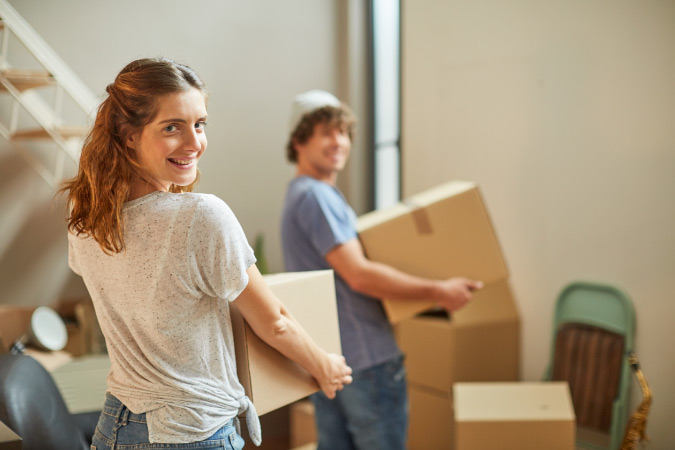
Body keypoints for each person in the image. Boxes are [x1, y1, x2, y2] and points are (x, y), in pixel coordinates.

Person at [60, 59, 352, 450]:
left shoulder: (87, 215)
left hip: (114, 427)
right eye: (171, 127)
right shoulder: (200, 216)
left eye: (199, 124)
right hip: (190, 433)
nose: (194, 142)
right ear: (129, 135)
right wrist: (324, 366)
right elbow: (275, 322)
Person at [281, 90, 483, 450]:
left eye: (343, 132)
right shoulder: (316, 196)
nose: (339, 141)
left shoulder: (298, 195)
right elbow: (359, 274)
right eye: (326, 132)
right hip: (366, 359)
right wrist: (440, 290)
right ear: (298, 140)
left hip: (331, 359)